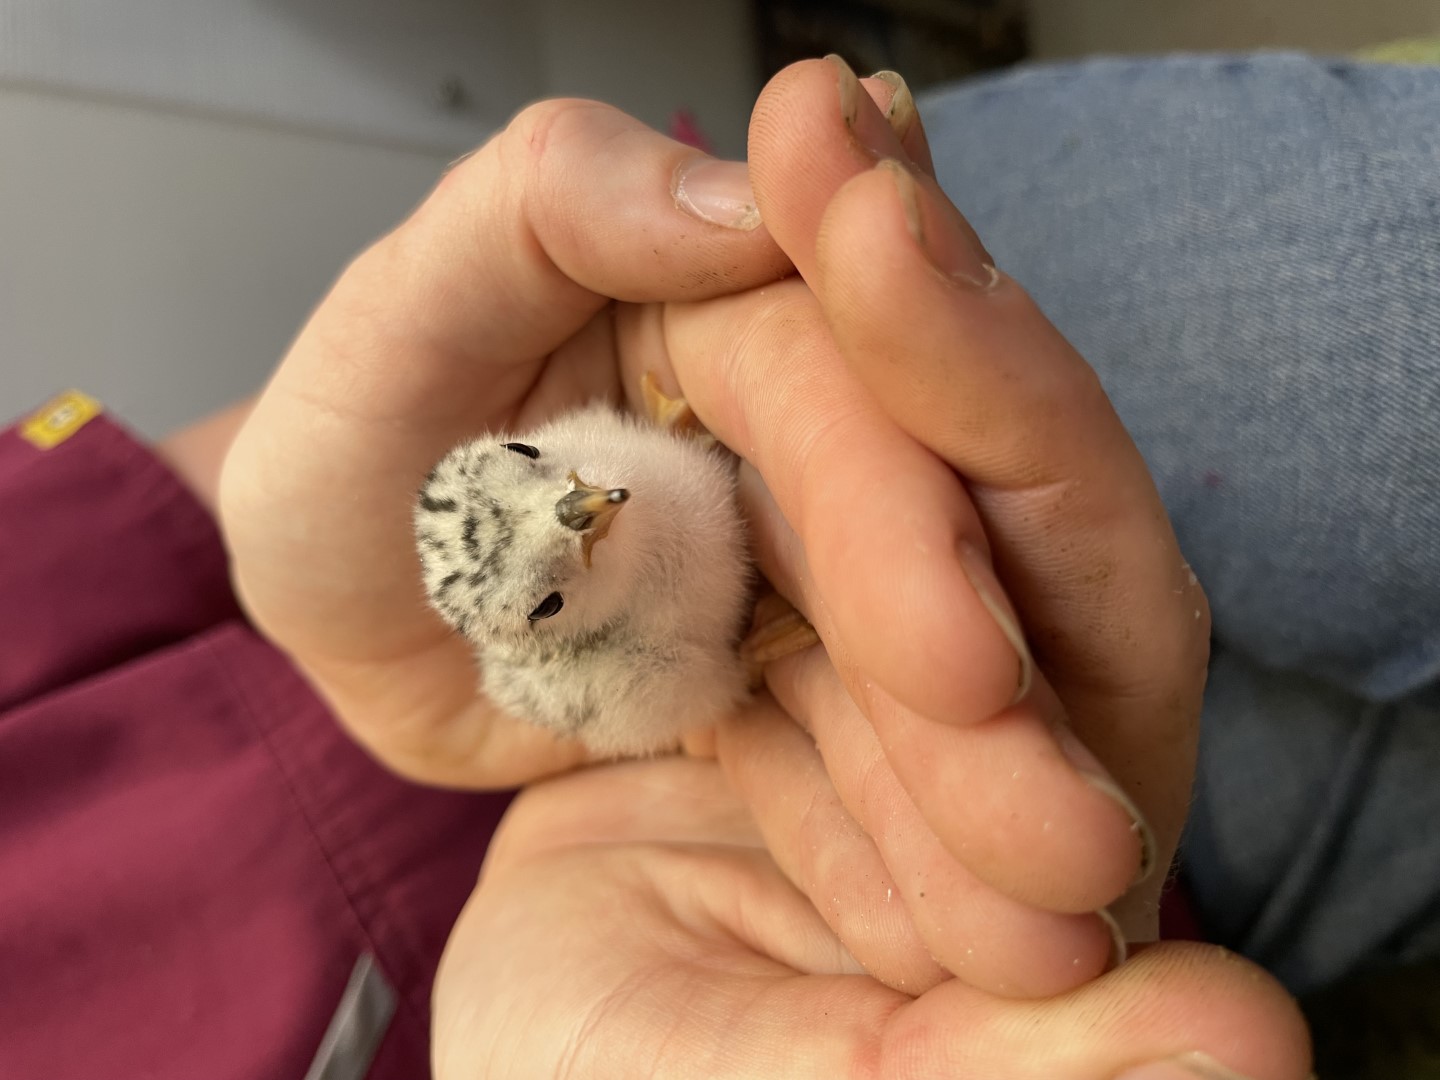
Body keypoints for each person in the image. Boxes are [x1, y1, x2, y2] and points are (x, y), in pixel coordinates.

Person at [19, 46, 1437, 1077]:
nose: (581, 512)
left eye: (548, 487)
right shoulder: (606, 674)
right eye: (565, 565)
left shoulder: (583, 457)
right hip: (850, 908)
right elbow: (663, 690)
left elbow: (156, 515)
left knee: (1386, 295)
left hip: (813, 364)